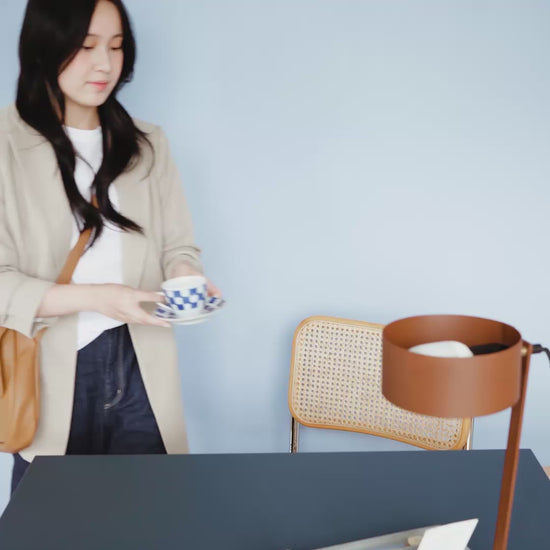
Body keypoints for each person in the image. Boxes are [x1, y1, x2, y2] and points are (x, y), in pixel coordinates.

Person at [0, 0, 220, 494]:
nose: (104, 64)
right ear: (44, 47)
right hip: (53, 372)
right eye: (86, 46)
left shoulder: (148, 143)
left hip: (142, 364)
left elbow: (179, 246)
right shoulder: (5, 144)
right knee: (51, 521)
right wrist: (102, 298)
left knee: (156, 515)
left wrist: (186, 275)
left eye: (116, 47)